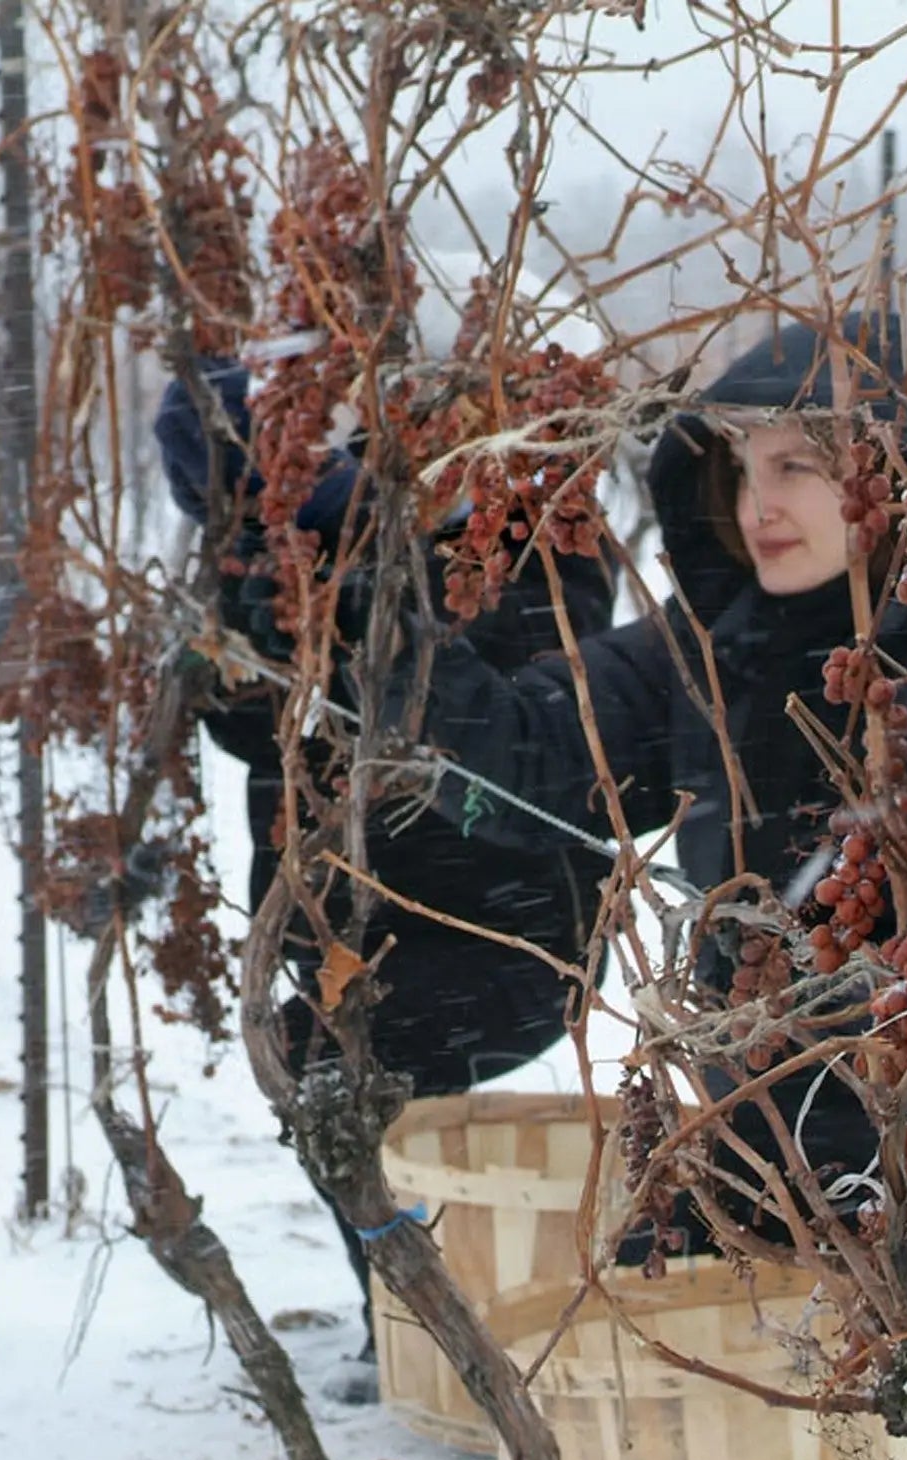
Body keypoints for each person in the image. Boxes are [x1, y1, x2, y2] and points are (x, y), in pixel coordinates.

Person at [364, 307, 907, 1324]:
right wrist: (386, 622)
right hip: (775, 1144)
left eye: (797, 468)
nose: (757, 502)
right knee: (637, 1317)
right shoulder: (714, 649)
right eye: (741, 467)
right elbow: (533, 755)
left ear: (902, 476)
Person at [157, 357, 617, 1386]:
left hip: (509, 928)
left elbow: (508, 695)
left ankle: (443, 1333)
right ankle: (414, 1321)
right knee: (324, 1072)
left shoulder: (523, 520)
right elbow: (264, 730)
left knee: (339, 1074)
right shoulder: (305, 526)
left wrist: (369, 589)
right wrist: (245, 628)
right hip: (350, 922)